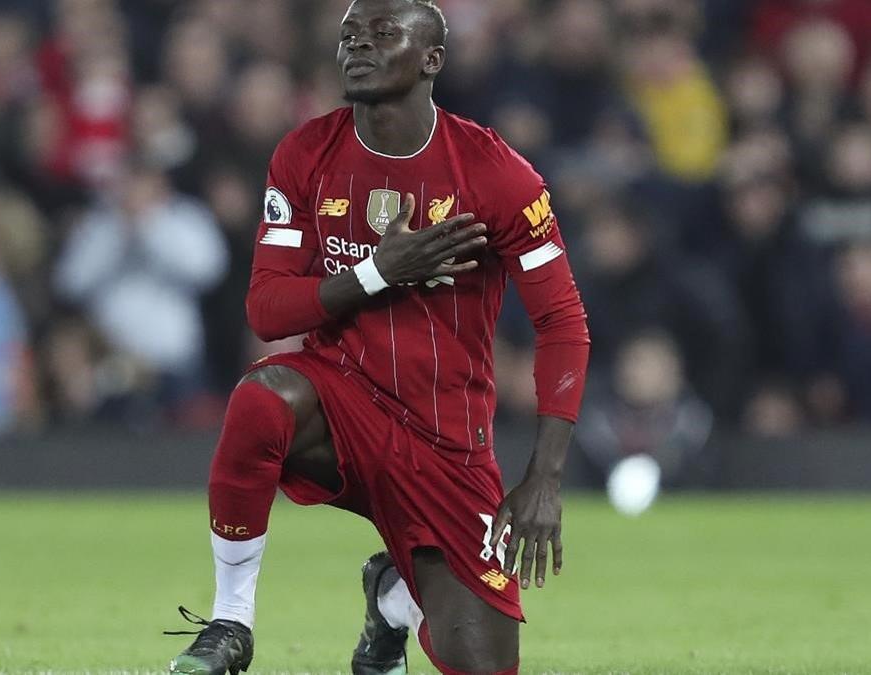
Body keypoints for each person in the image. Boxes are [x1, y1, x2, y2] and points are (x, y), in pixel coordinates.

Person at [167, 1, 589, 674]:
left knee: (485, 666)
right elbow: (267, 309)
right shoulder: (306, 152)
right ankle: (230, 621)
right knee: (261, 396)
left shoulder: (496, 173)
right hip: (340, 407)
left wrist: (544, 475)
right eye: (349, 35)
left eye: (382, 33)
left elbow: (562, 322)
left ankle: (391, 597)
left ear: (432, 59)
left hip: (448, 441)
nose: (357, 44)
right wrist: (376, 272)